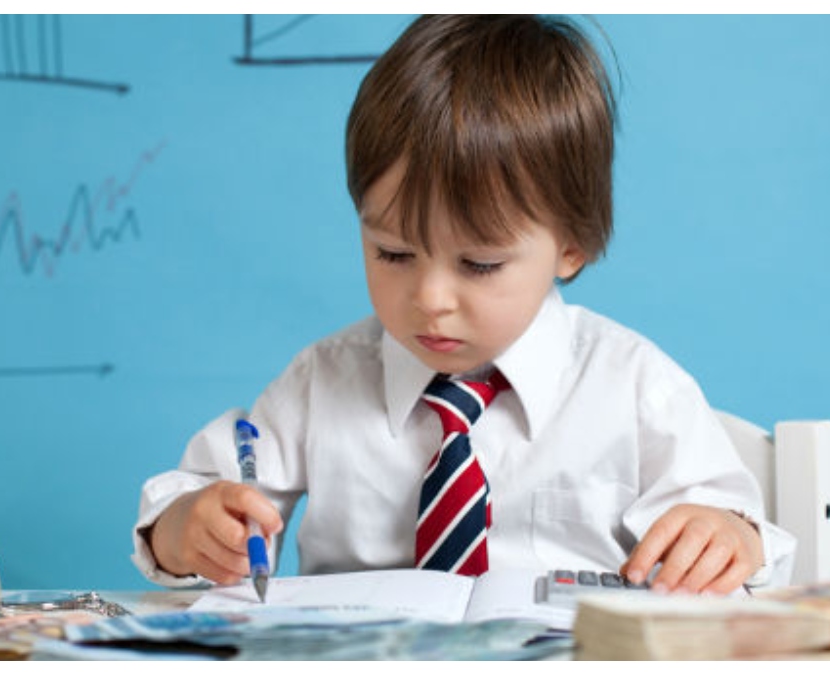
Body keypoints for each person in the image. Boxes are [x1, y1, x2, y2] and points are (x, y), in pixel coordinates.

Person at [133, 14, 795, 596]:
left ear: (571, 246)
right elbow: (191, 504)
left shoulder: (634, 386)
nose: (430, 299)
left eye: (479, 264)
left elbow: (737, 534)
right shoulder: (321, 382)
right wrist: (187, 527)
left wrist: (727, 535)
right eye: (393, 253)